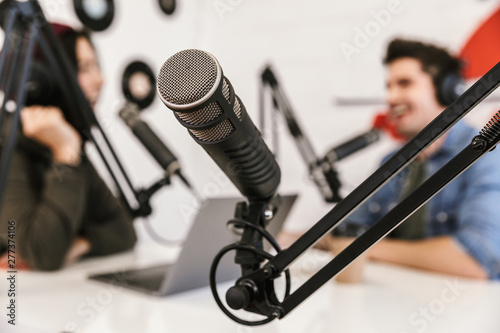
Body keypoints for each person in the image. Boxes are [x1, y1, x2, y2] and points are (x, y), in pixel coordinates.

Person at [343, 38, 500, 280]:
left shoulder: (485, 155)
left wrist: (362, 250)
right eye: (389, 86)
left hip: (464, 314)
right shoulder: (392, 161)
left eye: (404, 83)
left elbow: (476, 260)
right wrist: (289, 242)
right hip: (391, 308)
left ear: (448, 90)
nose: (391, 98)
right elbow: (346, 232)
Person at [0, 23, 137, 271]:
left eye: (96, 65)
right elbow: (43, 252)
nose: (101, 79)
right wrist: (64, 155)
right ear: (39, 77)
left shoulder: (68, 138)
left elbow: (124, 229)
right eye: (84, 68)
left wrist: (81, 243)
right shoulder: (7, 146)